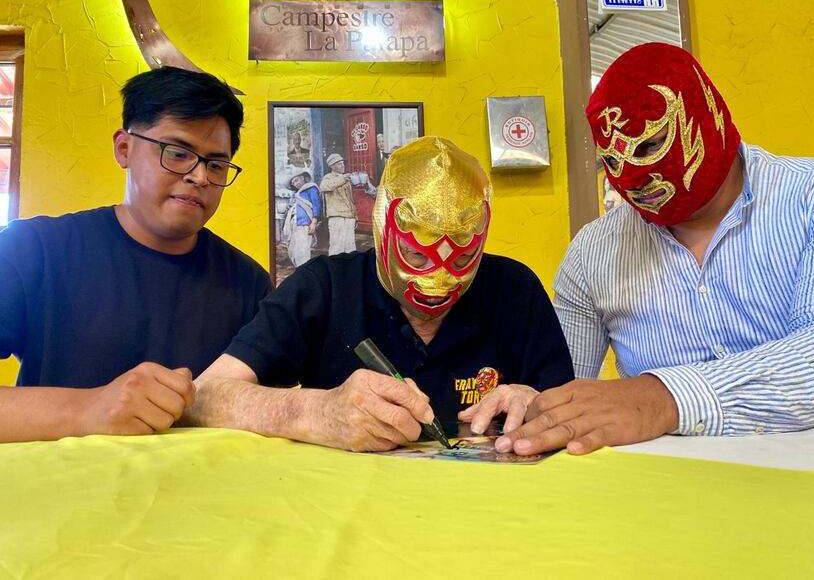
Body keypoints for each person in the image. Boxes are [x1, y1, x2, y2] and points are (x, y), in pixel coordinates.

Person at [496, 42, 814, 457]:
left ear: (705, 113)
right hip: (665, 499)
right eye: (612, 163)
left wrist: (662, 399)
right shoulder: (593, 252)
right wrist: (533, 400)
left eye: (650, 146)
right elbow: (565, 386)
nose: (632, 177)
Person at [185, 136, 574, 452]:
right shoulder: (324, 288)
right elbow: (202, 396)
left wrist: (537, 402)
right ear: (382, 231)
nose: (438, 280)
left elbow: (569, 412)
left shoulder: (515, 290)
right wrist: (315, 412)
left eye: (463, 256)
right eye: (416, 254)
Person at [0, 66, 272, 443]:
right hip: (61, 492)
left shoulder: (249, 284)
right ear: (124, 148)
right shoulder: (32, 249)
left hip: (201, 494)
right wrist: (89, 409)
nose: (198, 176)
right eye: (177, 153)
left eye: (216, 164)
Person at [319, 153, 357, 255]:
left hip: (349, 216)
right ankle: (335, 269)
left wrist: (355, 216)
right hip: (337, 217)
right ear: (332, 166)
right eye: (339, 164)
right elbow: (324, 187)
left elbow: (350, 199)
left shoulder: (346, 179)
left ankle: (349, 269)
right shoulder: (328, 177)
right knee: (337, 247)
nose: (343, 165)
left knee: (350, 247)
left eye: (343, 163)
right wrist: (343, 178)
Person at [284, 169, 322, 267]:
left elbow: (316, 206)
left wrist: (313, 223)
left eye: (296, 180)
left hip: (304, 223)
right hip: (294, 224)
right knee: (293, 249)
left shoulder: (311, 188)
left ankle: (303, 271)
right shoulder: (296, 194)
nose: (295, 184)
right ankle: (299, 269)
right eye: (293, 183)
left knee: (302, 250)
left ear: (302, 178)